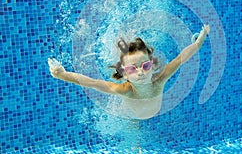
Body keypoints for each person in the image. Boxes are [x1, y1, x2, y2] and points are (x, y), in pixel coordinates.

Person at [48, 24, 210, 120]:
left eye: (145, 66)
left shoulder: (159, 79)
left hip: (153, 112)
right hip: (129, 115)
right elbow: (92, 83)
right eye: (132, 69)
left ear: (152, 66)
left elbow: (180, 58)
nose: (140, 72)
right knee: (132, 127)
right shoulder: (125, 90)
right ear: (124, 74)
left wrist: (199, 42)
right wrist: (63, 75)